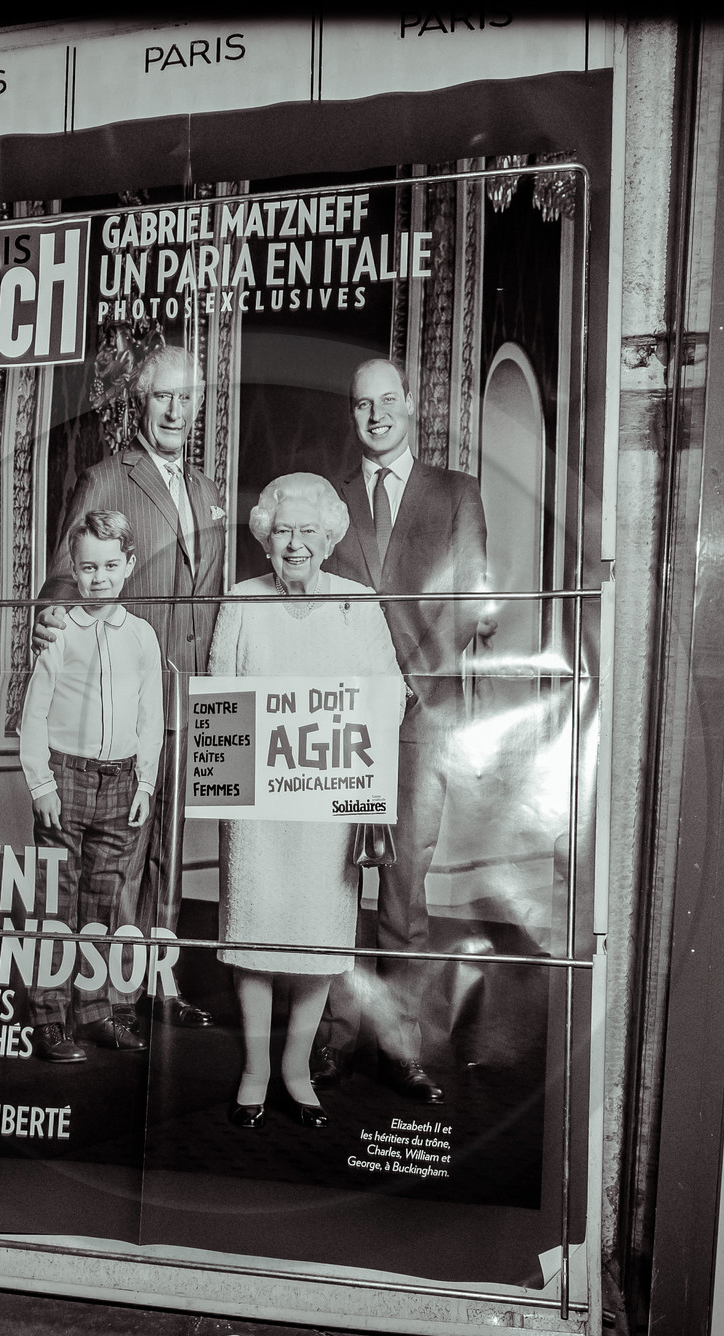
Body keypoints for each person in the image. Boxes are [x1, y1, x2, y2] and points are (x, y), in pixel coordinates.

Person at [313, 357, 495, 1106]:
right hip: (342, 719)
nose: (376, 415)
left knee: (404, 894)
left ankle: (400, 1047)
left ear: (412, 405)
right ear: (352, 415)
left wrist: (423, 687)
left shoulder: (457, 492)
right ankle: (332, 1040)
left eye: (388, 401)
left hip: (423, 717)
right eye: (362, 405)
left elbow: (473, 604)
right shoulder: (327, 501)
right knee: (330, 888)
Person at [33, 344, 225, 1031]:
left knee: (173, 852)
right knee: (126, 854)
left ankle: (160, 987)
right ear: (142, 402)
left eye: (186, 397)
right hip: (128, 705)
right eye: (162, 397)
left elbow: (215, 601)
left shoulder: (207, 492)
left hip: (194, 705)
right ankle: (111, 1001)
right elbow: (63, 577)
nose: (175, 409)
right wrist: (55, 614)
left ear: (198, 405)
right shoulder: (108, 478)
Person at [208, 474, 404, 1129]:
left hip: (327, 804)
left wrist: (344, 733)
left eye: (309, 532)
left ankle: (296, 1071)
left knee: (317, 941)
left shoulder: (357, 602)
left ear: (329, 539)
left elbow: (391, 693)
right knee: (256, 938)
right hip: (260, 807)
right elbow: (220, 697)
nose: (296, 544)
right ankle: (255, 1071)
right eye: (283, 531)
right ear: (265, 539)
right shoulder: (241, 599)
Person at [19, 510, 163, 1061]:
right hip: (66, 778)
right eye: (87, 568)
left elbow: (151, 714)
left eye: (109, 565)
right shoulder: (59, 634)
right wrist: (41, 785)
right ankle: (51, 1021)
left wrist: (145, 784)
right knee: (55, 902)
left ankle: (96, 1011)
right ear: (74, 573)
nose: (98, 578)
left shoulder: (143, 637)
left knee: (103, 901)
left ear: (128, 565)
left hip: (121, 781)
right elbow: (33, 715)